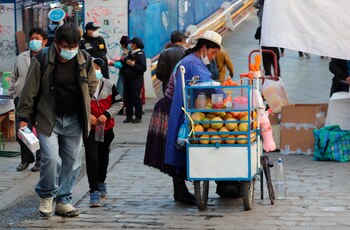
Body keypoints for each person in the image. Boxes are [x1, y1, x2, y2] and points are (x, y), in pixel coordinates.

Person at [16, 23, 98, 218]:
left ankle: (64, 200)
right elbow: (30, 90)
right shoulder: (43, 59)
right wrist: (24, 117)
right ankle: (46, 196)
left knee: (72, 162)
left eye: (73, 46)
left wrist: (87, 100)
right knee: (51, 159)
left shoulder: (84, 58)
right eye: (66, 46)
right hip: (48, 118)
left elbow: (92, 83)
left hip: (74, 119)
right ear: (58, 44)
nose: (69, 50)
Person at [144, 30, 222, 205]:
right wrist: (225, 99)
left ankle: (180, 192)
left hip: (172, 106)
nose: (213, 57)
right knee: (177, 148)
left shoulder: (191, 60)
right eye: (213, 52)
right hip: (172, 108)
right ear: (203, 48)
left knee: (176, 149)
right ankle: (181, 192)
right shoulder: (193, 63)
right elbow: (211, 87)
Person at [84, 57, 123, 207]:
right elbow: (77, 104)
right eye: (92, 68)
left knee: (103, 158)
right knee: (92, 158)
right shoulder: (83, 86)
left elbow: (119, 103)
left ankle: (101, 182)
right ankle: (93, 191)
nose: (95, 71)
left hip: (106, 129)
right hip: (90, 131)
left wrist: (106, 114)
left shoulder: (109, 85)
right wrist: (89, 116)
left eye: (97, 68)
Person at [8, 28, 47, 172]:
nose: (34, 41)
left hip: (40, 101)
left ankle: (39, 160)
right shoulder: (21, 57)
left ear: (44, 41)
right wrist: (13, 92)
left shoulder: (47, 57)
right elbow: (14, 76)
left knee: (39, 132)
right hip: (21, 99)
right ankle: (26, 159)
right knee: (23, 131)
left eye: (37, 38)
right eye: (31, 38)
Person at [120, 37, 146, 124]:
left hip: (136, 80)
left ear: (135, 44)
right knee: (127, 98)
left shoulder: (140, 54)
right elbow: (125, 64)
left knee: (136, 98)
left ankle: (138, 116)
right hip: (127, 78)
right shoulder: (130, 53)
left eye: (131, 44)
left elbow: (143, 68)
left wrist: (133, 65)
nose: (129, 45)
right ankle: (129, 116)